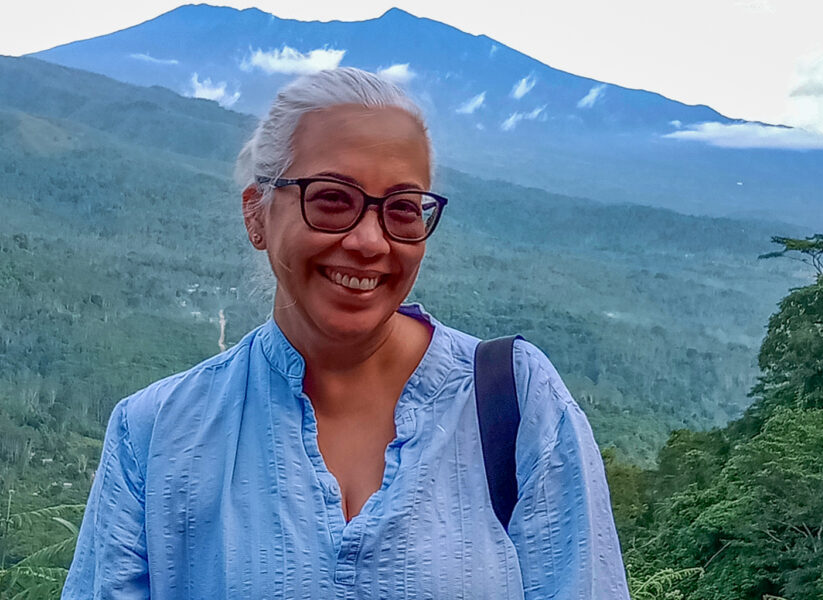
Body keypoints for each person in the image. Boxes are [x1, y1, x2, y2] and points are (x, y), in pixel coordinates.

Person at [62, 67, 630, 599]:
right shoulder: (157, 435)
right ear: (256, 214)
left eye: (402, 208)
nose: (369, 241)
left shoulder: (512, 402)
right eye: (332, 199)